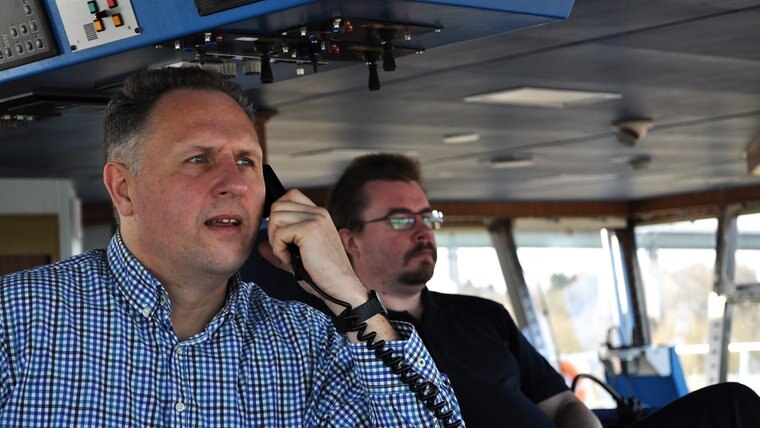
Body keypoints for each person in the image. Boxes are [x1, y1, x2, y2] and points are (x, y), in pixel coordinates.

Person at [0, 67, 464, 427]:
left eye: (247, 161)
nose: (235, 184)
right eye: (198, 159)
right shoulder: (15, 319)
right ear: (123, 189)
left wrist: (352, 297)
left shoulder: (308, 343)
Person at [325, 153, 760, 428]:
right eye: (402, 220)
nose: (423, 231)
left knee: (732, 404)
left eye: (428, 217)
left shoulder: (483, 316)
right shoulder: (329, 334)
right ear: (350, 240)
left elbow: (562, 404)